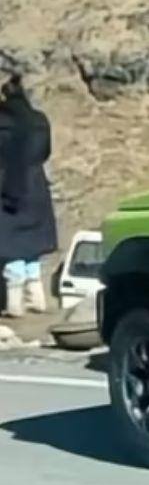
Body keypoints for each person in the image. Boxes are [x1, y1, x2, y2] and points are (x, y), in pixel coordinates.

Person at [0, 73, 58, 317]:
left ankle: (15, 304)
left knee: (10, 245)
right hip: (36, 186)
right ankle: (37, 299)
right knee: (31, 247)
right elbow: (45, 152)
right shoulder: (39, 121)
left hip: (7, 187)